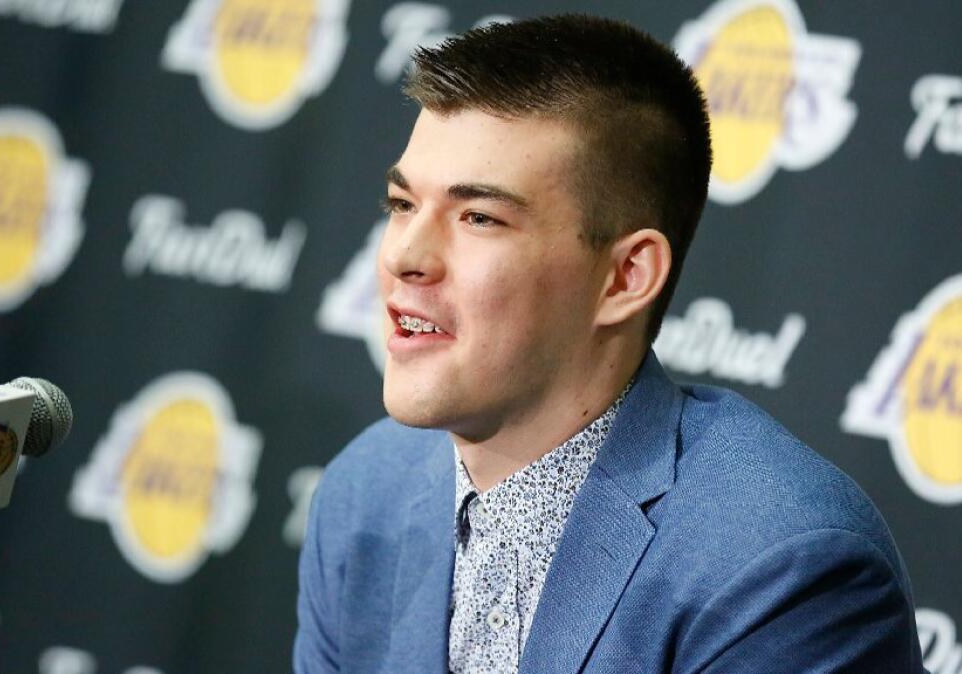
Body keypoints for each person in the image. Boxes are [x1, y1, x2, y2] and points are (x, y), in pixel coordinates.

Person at [295, 14, 925, 674]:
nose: (404, 256)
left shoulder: (780, 567)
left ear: (625, 277)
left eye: (479, 217)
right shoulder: (363, 494)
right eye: (402, 205)